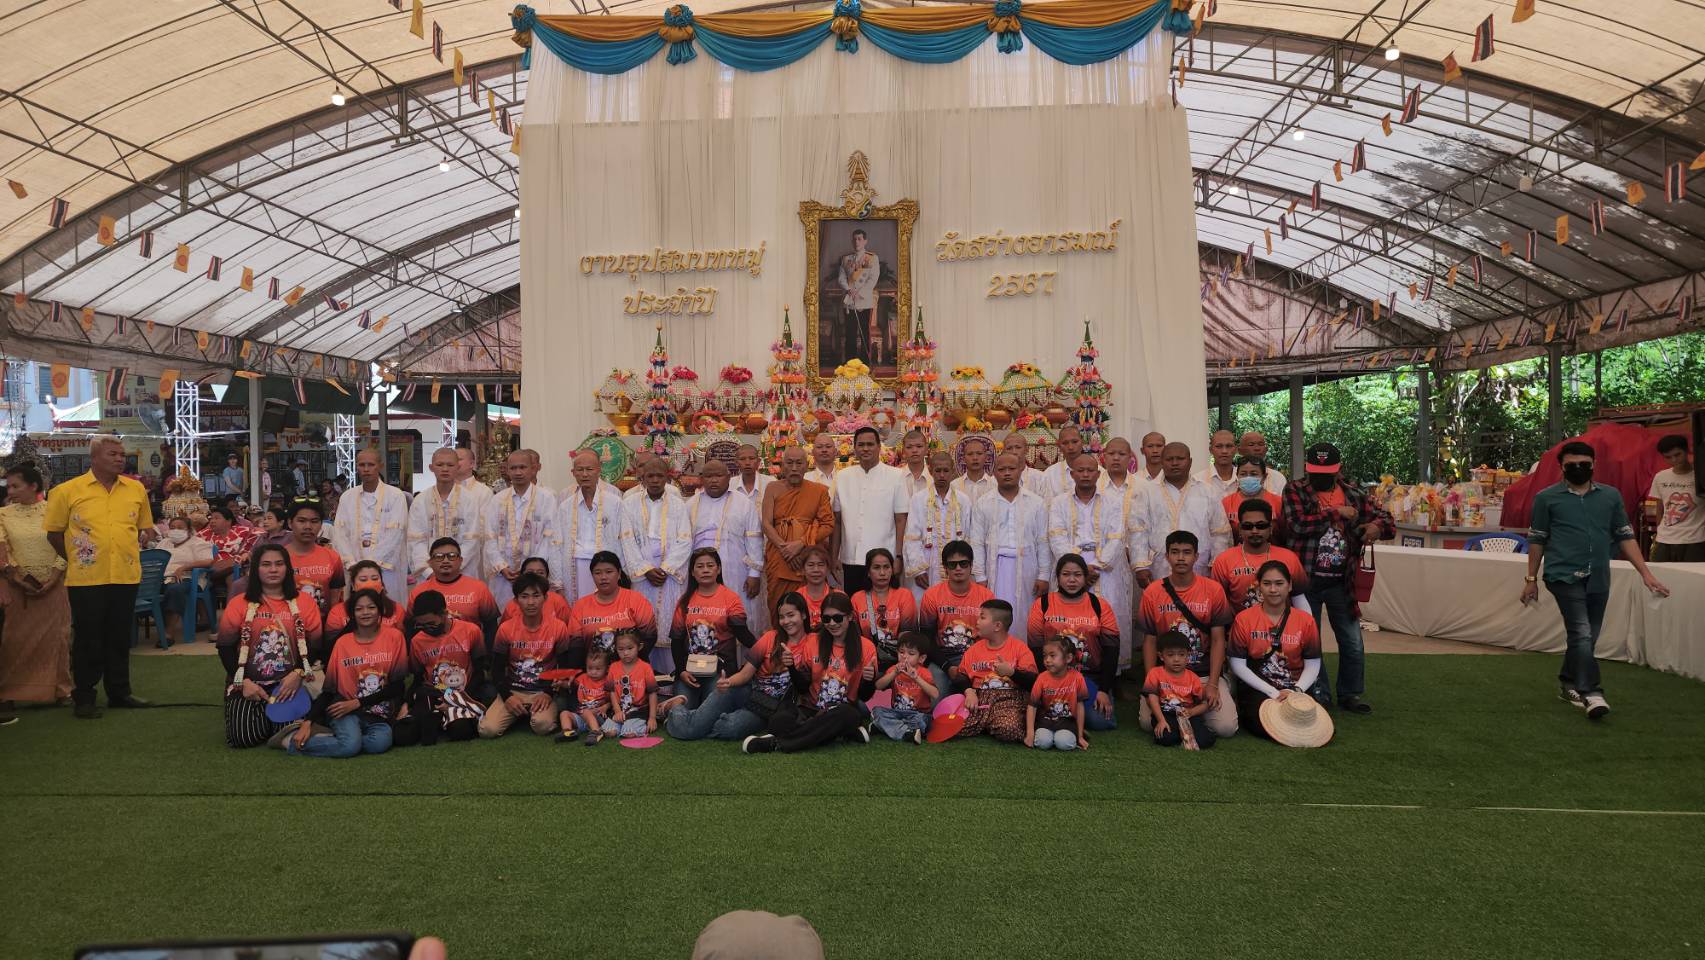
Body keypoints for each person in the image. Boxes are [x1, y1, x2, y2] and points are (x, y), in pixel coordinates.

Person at [1524, 440, 1670, 720]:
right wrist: (1531, 578)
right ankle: (1591, 691)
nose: (1578, 468)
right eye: (1571, 465)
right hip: (1562, 574)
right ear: (1561, 467)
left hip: (1599, 574)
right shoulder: (1546, 498)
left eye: (1584, 464)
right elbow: (1537, 539)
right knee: (1581, 631)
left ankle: (1568, 682)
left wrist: (1646, 573)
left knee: (1587, 636)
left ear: (1594, 465)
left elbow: (1624, 535)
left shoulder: (1610, 496)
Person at [44, 435, 161, 717]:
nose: (120, 459)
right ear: (94, 458)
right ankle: (84, 697)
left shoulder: (136, 489)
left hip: (125, 574)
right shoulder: (66, 491)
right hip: (86, 578)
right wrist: (77, 559)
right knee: (88, 638)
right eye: (113, 454)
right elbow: (54, 534)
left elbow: (144, 529)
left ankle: (119, 692)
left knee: (119, 636)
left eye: (122, 454)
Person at [1282, 441, 1393, 715]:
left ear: (1338, 468)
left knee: (1352, 641)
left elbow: (1387, 519)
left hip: (1342, 580)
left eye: (1327, 471)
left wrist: (1376, 527)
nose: (1321, 476)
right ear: (1307, 468)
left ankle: (1350, 693)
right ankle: (1318, 692)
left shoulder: (1353, 493)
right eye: (1316, 471)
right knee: (1311, 641)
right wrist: (1336, 512)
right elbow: (1297, 525)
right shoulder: (1295, 490)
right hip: (1305, 579)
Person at [742, 592, 875, 754]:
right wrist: (791, 667)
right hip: (810, 708)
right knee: (779, 721)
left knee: (848, 715)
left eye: (837, 618)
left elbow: (865, 696)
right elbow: (803, 688)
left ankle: (777, 744)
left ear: (850, 617)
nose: (832, 623)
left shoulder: (866, 647)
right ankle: (839, 733)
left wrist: (869, 680)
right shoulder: (813, 642)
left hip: (841, 710)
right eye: (826, 619)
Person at [216, 544, 321, 747]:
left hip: (287, 684)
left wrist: (298, 674)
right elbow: (225, 647)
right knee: (244, 739)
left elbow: (315, 645)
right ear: (255, 569)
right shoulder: (239, 603)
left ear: (287, 568)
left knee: (289, 732)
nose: (273, 569)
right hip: (249, 683)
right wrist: (243, 682)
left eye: (279, 564)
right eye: (266, 564)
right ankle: (262, 716)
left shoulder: (305, 602)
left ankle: (276, 717)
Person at [1138, 531, 1237, 738]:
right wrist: (1151, 684)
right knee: (1147, 723)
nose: (1181, 558)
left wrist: (1212, 683)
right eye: (1175, 552)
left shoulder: (1213, 590)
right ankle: (1186, 713)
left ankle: (1216, 691)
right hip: (1166, 675)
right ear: (1167, 556)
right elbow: (1150, 640)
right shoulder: (1153, 592)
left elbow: (1218, 639)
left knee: (1226, 728)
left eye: (1186, 552)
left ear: (1196, 556)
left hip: (1202, 674)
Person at [288, 589, 407, 758]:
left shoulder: (395, 637)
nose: (365, 612)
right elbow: (329, 691)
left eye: (371, 607)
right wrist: (308, 722)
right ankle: (291, 742)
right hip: (344, 710)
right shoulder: (342, 643)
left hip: (378, 713)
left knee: (379, 743)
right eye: (359, 609)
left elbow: (397, 687)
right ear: (352, 613)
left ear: (380, 610)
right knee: (349, 747)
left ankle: (335, 739)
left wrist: (358, 703)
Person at [658, 548, 755, 739]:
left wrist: (766, 648)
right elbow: (676, 642)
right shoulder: (685, 601)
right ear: (693, 573)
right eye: (700, 566)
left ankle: (674, 714)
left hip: (720, 672)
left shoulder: (730, 598)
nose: (705, 570)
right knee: (703, 718)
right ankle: (681, 713)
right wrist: (681, 671)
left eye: (710, 565)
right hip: (690, 672)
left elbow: (743, 635)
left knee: (706, 716)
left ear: (718, 569)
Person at [0, 463, 72, 718]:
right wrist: (15, 575)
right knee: (14, 639)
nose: (10, 491)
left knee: (58, 638)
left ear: (33, 486)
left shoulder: (54, 511)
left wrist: (54, 575)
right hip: (17, 587)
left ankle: (61, 690)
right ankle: (9, 693)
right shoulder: (3, 515)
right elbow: (2, 548)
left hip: (56, 584)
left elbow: (66, 545)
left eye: (15, 486)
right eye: (8, 486)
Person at [1229, 560, 1328, 737]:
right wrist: (1273, 693)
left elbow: (1313, 664)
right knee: (1262, 725)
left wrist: (1295, 691)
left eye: (1279, 583)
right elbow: (1237, 664)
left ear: (1289, 586)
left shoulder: (1306, 621)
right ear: (1259, 586)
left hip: (1296, 687)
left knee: (1307, 720)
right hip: (1260, 688)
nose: (1273, 589)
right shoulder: (1243, 619)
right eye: (1267, 583)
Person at [1047, 453, 1129, 659]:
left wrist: (1097, 565)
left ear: (1098, 474)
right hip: (1070, 568)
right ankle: (1067, 662)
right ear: (1072, 474)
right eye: (1080, 470)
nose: (1085, 474)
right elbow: (1056, 535)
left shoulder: (1112, 502)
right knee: (1069, 616)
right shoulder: (1058, 503)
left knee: (1106, 614)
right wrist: (1080, 569)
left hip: (1104, 569)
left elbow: (1117, 537)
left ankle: (1109, 668)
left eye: (1090, 470)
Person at [1027, 554, 1119, 731]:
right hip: (1053, 676)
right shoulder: (1042, 604)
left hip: (1089, 677)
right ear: (1057, 577)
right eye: (1066, 574)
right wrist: (1045, 682)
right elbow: (1035, 647)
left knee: (1100, 722)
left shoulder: (1099, 605)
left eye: (1077, 575)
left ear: (1085, 577)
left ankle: (1069, 712)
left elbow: (1112, 650)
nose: (1071, 580)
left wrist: (1103, 689)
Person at [970, 452, 1053, 640]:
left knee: (1025, 614)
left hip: (1027, 568)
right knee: (994, 614)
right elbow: (977, 542)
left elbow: (1042, 541)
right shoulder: (983, 503)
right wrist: (980, 576)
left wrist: (1043, 575)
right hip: (995, 569)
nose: (1007, 473)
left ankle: (1022, 654)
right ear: (994, 472)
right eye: (1002, 469)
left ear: (1021, 469)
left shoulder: (1036, 503)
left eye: (1012, 468)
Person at [479, 573, 573, 737]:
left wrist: (548, 693)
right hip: (514, 690)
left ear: (545, 598)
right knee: (487, 730)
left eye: (536, 596)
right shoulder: (506, 629)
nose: (530, 602)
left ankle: (536, 712)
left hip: (543, 691)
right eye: (524, 596)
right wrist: (507, 697)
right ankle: (518, 712)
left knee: (542, 726)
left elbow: (563, 667)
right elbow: (497, 669)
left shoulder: (558, 627)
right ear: (516, 600)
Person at [713, 591, 812, 742]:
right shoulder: (771, 637)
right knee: (716, 724)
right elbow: (745, 674)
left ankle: (730, 718)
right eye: (782, 617)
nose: (786, 621)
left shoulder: (813, 642)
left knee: (728, 728)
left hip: (782, 709)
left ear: (803, 614)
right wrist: (728, 682)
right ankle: (679, 711)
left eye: (791, 615)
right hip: (756, 701)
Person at [622, 457, 691, 673]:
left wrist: (666, 568)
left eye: (659, 476)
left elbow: (685, 539)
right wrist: (645, 569)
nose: (654, 480)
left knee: (671, 621)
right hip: (642, 574)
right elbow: (626, 539)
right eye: (649, 476)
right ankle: (643, 674)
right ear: (641, 478)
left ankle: (672, 676)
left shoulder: (679, 505)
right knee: (643, 622)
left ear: (667, 477)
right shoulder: (629, 504)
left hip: (669, 575)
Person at [396, 588, 487, 746]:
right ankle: (435, 717)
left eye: (431, 624)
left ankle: (445, 718)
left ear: (444, 613)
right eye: (421, 625)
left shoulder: (470, 631)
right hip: (433, 693)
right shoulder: (417, 641)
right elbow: (418, 678)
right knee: (404, 736)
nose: (427, 628)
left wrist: (457, 699)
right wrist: (407, 702)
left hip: (464, 691)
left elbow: (480, 671)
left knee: (461, 732)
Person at [686, 458, 765, 634]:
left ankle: (741, 651)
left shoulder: (743, 503)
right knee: (704, 614)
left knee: (738, 612)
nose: (714, 480)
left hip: (736, 571)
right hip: (701, 573)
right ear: (701, 479)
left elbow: (754, 539)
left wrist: (754, 574)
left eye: (719, 475)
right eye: (709, 476)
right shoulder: (691, 504)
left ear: (729, 477)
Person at [831, 426, 909, 596]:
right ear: (854, 448)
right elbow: (837, 521)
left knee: (886, 606)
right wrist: (834, 556)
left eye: (870, 444)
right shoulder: (843, 476)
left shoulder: (896, 475)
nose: (865, 449)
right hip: (851, 558)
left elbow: (901, 520)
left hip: (884, 562)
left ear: (879, 447)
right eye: (861, 445)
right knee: (854, 606)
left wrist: (899, 556)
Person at [760, 446, 834, 618]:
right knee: (779, 606)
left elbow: (828, 524)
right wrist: (785, 549)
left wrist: (800, 544)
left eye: (799, 463)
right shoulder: (772, 488)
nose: (794, 468)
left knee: (809, 608)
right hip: (779, 556)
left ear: (807, 465)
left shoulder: (819, 491)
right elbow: (766, 523)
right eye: (789, 463)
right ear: (782, 465)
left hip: (807, 557)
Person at [482, 450, 561, 608]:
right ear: (507, 470)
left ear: (532, 469)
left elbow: (550, 537)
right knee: (505, 613)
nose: (518, 472)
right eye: (513, 468)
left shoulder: (546, 498)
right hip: (504, 575)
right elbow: (490, 536)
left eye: (523, 467)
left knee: (533, 611)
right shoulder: (497, 499)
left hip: (534, 574)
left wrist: (530, 568)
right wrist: (501, 566)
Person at [952, 599, 1037, 742]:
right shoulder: (974, 649)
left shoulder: (1020, 648)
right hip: (979, 701)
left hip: (1008, 701)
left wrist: (1012, 673)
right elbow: (961, 675)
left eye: (982, 617)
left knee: (1009, 730)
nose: (977, 621)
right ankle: (989, 723)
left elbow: (1033, 682)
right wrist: (969, 692)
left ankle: (993, 724)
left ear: (997, 626)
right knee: (954, 727)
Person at [330, 449, 409, 600]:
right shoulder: (347, 497)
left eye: (371, 465)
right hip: (354, 568)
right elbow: (340, 533)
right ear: (357, 467)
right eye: (362, 465)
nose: (366, 469)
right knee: (359, 608)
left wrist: (370, 566)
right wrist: (351, 563)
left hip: (386, 569)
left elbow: (395, 535)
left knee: (389, 607)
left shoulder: (395, 495)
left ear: (380, 466)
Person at [1142, 442, 1231, 577]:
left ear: (1190, 462)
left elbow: (1219, 532)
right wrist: (1140, 565)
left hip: (1200, 566)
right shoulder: (1147, 491)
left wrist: (1217, 563)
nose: (1175, 463)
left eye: (1180, 459)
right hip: (1158, 568)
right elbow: (1139, 530)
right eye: (1169, 459)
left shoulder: (1207, 491)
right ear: (1162, 462)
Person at [408, 447, 489, 586]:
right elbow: (416, 540)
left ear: (457, 467)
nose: (445, 469)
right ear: (431, 467)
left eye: (450, 465)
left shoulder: (469, 500)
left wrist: (453, 566)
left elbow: (472, 539)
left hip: (462, 572)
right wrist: (429, 571)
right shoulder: (420, 500)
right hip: (429, 575)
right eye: (440, 465)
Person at [918, 539, 991, 692]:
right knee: (935, 699)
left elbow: (991, 637)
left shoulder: (986, 596)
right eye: (952, 565)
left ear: (971, 566)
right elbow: (926, 639)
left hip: (977, 658)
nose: (958, 568)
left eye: (963, 563)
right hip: (942, 659)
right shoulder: (932, 596)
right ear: (945, 568)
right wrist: (947, 666)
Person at [565, 550, 657, 669]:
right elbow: (576, 647)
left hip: (631, 669)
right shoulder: (581, 606)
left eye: (609, 572)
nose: (603, 577)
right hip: (594, 671)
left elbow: (649, 637)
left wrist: (626, 665)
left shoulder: (636, 599)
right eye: (597, 573)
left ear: (619, 574)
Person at [557, 450, 626, 602]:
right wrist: (557, 580)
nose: (585, 474)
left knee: (606, 606)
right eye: (580, 470)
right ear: (573, 473)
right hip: (575, 566)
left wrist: (622, 569)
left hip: (605, 567)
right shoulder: (565, 507)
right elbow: (558, 544)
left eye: (589, 469)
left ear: (599, 470)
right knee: (578, 606)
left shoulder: (615, 503)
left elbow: (623, 538)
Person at [1211, 499, 1306, 610]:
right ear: (1240, 529)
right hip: (1239, 621)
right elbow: (1218, 602)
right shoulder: (1223, 561)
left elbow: (1298, 597)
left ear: (1270, 528)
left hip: (1282, 621)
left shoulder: (1289, 558)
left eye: (1261, 526)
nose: (1254, 531)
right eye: (1248, 526)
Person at [904, 450, 972, 603]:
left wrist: (962, 566)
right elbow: (912, 536)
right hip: (927, 564)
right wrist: (918, 570)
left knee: (952, 606)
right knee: (925, 604)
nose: (942, 475)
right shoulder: (918, 499)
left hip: (954, 565)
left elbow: (967, 537)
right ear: (930, 470)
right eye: (938, 470)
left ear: (953, 471)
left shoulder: (963, 500)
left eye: (946, 471)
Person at [407, 537, 498, 642]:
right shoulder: (418, 592)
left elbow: (491, 627)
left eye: (452, 556)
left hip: (470, 649)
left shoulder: (479, 588)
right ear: (430, 562)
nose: (445, 560)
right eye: (439, 557)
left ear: (460, 560)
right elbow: (410, 628)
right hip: (430, 650)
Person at [1142, 630, 1216, 750]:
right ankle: (1180, 734)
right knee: (1165, 738)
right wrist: (1161, 720)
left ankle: (1191, 733)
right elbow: (1152, 699)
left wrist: (1192, 712)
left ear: (1188, 656)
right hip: (1166, 714)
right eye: (1170, 655)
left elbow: (1204, 704)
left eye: (1181, 655)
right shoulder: (1155, 673)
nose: (1176, 659)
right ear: (1161, 656)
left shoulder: (1193, 677)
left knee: (1205, 741)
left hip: (1188, 715)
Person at [850, 547, 916, 670]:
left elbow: (907, 634)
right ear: (868, 572)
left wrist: (898, 665)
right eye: (876, 567)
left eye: (886, 567)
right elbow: (855, 638)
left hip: (899, 660)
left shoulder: (904, 595)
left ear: (892, 570)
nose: (882, 573)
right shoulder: (857, 598)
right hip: (867, 659)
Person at [282, 498, 344, 618]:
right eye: (301, 521)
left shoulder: (333, 557)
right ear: (290, 523)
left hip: (324, 624)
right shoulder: (278, 558)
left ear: (321, 524)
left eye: (314, 521)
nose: (308, 526)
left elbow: (336, 600)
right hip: (287, 625)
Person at [870, 632, 936, 743]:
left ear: (921, 658)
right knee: (877, 711)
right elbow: (878, 686)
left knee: (922, 721)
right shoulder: (894, 670)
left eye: (911, 653)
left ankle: (885, 727)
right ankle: (907, 733)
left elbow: (935, 694)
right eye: (901, 652)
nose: (904, 656)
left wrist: (916, 678)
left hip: (918, 713)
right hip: (896, 712)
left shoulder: (924, 673)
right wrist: (894, 673)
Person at [1026, 638, 1088, 751]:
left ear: (1068, 658)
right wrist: (1030, 734)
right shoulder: (1041, 678)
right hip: (1045, 722)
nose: (1047, 660)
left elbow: (1080, 706)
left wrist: (1080, 736)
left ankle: (1070, 736)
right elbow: (1032, 706)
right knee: (1042, 742)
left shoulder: (1078, 678)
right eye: (1045, 656)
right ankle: (1052, 737)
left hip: (1067, 723)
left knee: (1063, 743)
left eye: (1052, 655)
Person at [159, 515, 214, 640]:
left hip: (188, 578)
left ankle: (169, 633)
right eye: (172, 527)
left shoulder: (198, 543)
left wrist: (184, 567)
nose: (175, 530)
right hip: (163, 578)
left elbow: (208, 561)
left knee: (175, 590)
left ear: (189, 530)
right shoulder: (164, 543)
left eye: (180, 528)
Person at [1648, 434, 1703, 561]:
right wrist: (1659, 531)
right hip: (1664, 540)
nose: (1674, 460)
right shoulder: (1660, 477)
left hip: (1695, 540)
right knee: (1660, 573)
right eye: (1668, 457)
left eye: (1677, 454)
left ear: (1687, 450)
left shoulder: (1700, 476)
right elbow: (1660, 508)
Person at [836, 227, 881, 365]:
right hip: (850, 301)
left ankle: (865, 363)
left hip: (864, 301)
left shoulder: (872, 258)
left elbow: (873, 279)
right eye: (854, 239)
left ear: (865, 241)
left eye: (859, 239)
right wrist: (848, 289)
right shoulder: (846, 259)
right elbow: (841, 278)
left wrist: (859, 293)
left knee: (864, 333)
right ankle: (851, 363)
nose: (856, 242)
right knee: (850, 333)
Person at [325, 560, 405, 637]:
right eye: (363, 579)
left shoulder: (397, 609)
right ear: (353, 585)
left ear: (382, 583)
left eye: (375, 579)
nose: (370, 583)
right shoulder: (337, 613)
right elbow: (332, 643)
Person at [604, 630, 659, 738]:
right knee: (609, 732)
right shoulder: (613, 667)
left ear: (639, 647)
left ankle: (638, 726)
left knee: (628, 733)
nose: (625, 653)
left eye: (630, 648)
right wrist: (617, 711)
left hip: (638, 711)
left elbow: (652, 693)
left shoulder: (645, 667)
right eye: (621, 649)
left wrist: (652, 717)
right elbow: (612, 691)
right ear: (615, 648)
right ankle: (621, 724)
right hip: (619, 709)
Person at [1222, 457, 1286, 546]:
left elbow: (1285, 534)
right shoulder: (1226, 503)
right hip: (1236, 553)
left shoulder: (1278, 502)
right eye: (1243, 474)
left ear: (1264, 477)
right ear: (1237, 476)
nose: (1248, 477)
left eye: (1253, 474)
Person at [559, 646, 614, 744]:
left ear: (607, 669)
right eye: (590, 668)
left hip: (598, 715)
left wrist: (605, 707)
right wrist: (561, 683)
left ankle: (596, 732)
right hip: (582, 716)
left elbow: (613, 700)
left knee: (585, 711)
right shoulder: (583, 678)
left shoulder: (607, 681)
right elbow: (570, 685)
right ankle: (568, 732)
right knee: (564, 713)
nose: (593, 672)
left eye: (598, 669)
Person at [500, 556, 572, 626]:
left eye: (540, 573)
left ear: (547, 577)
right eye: (530, 573)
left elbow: (568, 628)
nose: (535, 576)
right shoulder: (513, 604)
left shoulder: (557, 601)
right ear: (521, 575)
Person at [1038, 426, 1098, 499]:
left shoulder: (1097, 471)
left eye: (1075, 442)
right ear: (1059, 446)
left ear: (1082, 442)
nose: (1070, 447)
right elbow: (1046, 503)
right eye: (1065, 443)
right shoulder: (1050, 474)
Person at [1194, 430, 1241, 503]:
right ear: (1211, 450)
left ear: (1236, 449)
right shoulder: (1198, 480)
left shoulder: (1244, 478)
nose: (1224, 451)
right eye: (1219, 446)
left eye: (1229, 446)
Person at [999, 432, 1050, 497]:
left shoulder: (1040, 478)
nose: (1014, 452)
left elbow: (1047, 502)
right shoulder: (995, 480)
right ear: (1003, 451)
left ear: (1026, 449)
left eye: (1018, 447)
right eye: (1009, 448)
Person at [950, 435, 996, 503]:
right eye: (970, 454)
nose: (975, 458)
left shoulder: (995, 485)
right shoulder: (954, 485)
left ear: (986, 457)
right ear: (963, 459)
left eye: (979, 453)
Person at [898, 429, 933, 500]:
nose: (914, 450)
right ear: (903, 451)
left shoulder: (934, 476)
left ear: (926, 449)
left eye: (919, 446)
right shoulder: (896, 476)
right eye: (909, 447)